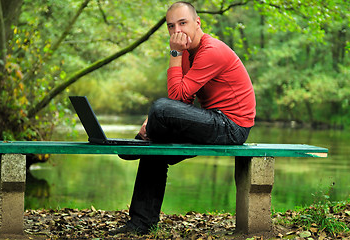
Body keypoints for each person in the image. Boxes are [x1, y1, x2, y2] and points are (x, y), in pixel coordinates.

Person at [109, 1, 256, 235]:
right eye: (171, 26)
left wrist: (175, 53)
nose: (177, 31)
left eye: (183, 23)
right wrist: (158, 121)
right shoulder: (189, 53)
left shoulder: (211, 51)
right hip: (211, 120)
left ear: (197, 23)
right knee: (156, 147)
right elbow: (182, 103)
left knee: (159, 108)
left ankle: (140, 142)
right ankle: (140, 224)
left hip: (232, 126)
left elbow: (174, 98)